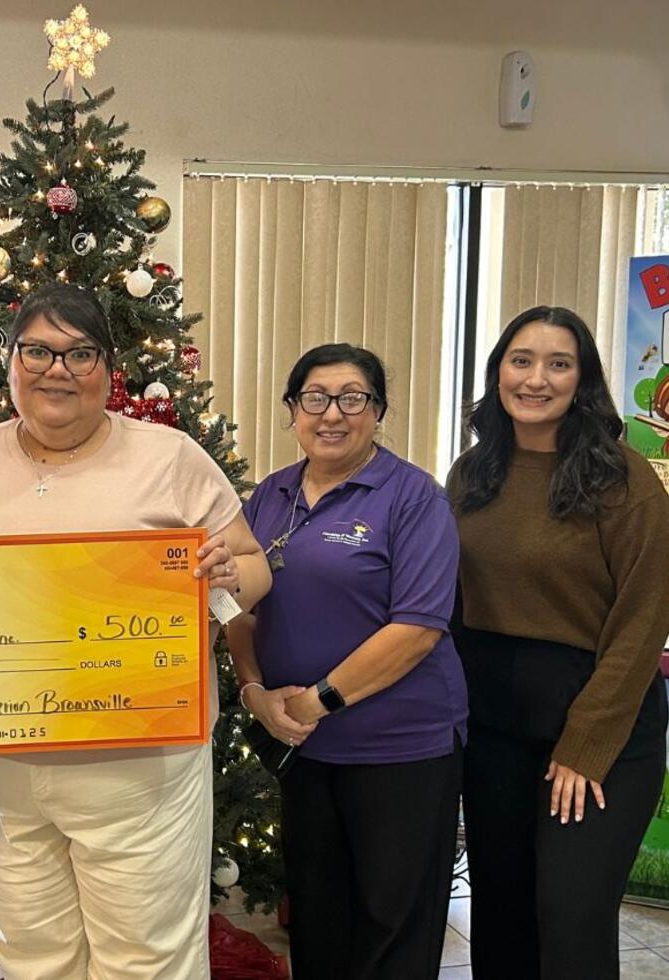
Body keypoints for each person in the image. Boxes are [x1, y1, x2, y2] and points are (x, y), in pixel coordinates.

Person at [0, 283, 271, 978]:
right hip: (5, 769)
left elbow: (254, 568)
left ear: (108, 370)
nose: (56, 370)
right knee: (30, 956)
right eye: (37, 350)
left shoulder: (170, 457)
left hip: (138, 772)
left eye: (80, 354)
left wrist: (228, 572)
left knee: (144, 961)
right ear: (9, 361)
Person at [228, 343, 467, 980]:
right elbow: (237, 609)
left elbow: (417, 628)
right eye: (315, 398)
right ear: (293, 410)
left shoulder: (414, 498)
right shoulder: (269, 497)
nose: (332, 414)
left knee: (393, 924)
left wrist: (313, 702)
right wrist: (254, 692)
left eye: (352, 398)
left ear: (378, 410)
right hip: (303, 750)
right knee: (317, 916)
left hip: (400, 749)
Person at [447, 305, 669, 979]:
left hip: (599, 725)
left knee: (569, 917)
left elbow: (643, 617)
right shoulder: (471, 475)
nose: (535, 378)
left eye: (557, 363)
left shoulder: (622, 479)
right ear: (498, 371)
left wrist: (585, 744)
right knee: (502, 914)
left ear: (584, 379)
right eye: (520, 360)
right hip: (493, 730)